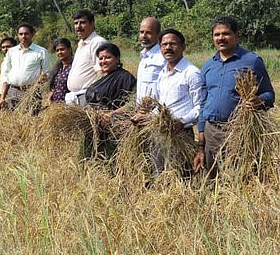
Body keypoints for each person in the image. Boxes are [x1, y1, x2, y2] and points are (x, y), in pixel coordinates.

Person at [194, 16, 275, 175]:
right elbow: (204, 101)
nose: (221, 38)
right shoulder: (208, 65)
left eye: (226, 33)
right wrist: (201, 136)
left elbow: (270, 95)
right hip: (212, 131)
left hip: (238, 132)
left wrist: (259, 100)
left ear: (236, 35)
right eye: (216, 35)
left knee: (239, 178)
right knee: (212, 179)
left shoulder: (252, 61)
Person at [134, 28, 204, 175]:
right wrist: (146, 118)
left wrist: (181, 122)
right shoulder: (162, 73)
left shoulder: (192, 73)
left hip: (181, 134)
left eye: (173, 44)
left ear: (183, 47)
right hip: (160, 132)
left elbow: (200, 107)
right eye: (164, 44)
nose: (168, 47)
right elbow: (159, 105)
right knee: (159, 174)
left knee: (180, 177)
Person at [83, 42, 137, 161]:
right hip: (93, 124)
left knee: (109, 160)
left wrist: (112, 114)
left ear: (117, 58)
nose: (103, 61)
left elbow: (133, 103)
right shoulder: (100, 77)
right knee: (89, 159)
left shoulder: (125, 78)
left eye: (108, 57)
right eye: (101, 58)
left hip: (112, 127)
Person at [0, 23, 51, 111]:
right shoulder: (12, 51)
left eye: (26, 34)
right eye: (21, 34)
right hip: (13, 91)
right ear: (18, 35)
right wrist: (2, 97)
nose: (23, 36)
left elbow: (46, 74)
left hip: (32, 92)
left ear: (32, 34)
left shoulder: (41, 52)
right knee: (13, 119)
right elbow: (6, 75)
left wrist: (33, 89)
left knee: (32, 119)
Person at [66, 10, 107, 106]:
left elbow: (102, 71)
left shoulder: (97, 43)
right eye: (76, 23)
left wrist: (93, 96)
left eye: (82, 23)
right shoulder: (81, 44)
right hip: (77, 97)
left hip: (87, 97)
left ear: (92, 24)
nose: (78, 27)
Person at [136, 17, 166, 102]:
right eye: (141, 32)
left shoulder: (163, 58)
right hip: (140, 112)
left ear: (158, 35)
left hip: (155, 113)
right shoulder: (144, 57)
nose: (144, 36)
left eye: (148, 33)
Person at [48, 38, 74, 104]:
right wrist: (49, 97)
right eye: (57, 50)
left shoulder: (75, 67)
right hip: (56, 107)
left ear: (70, 49)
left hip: (70, 106)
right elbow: (54, 87)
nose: (59, 52)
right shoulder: (57, 68)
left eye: (62, 49)